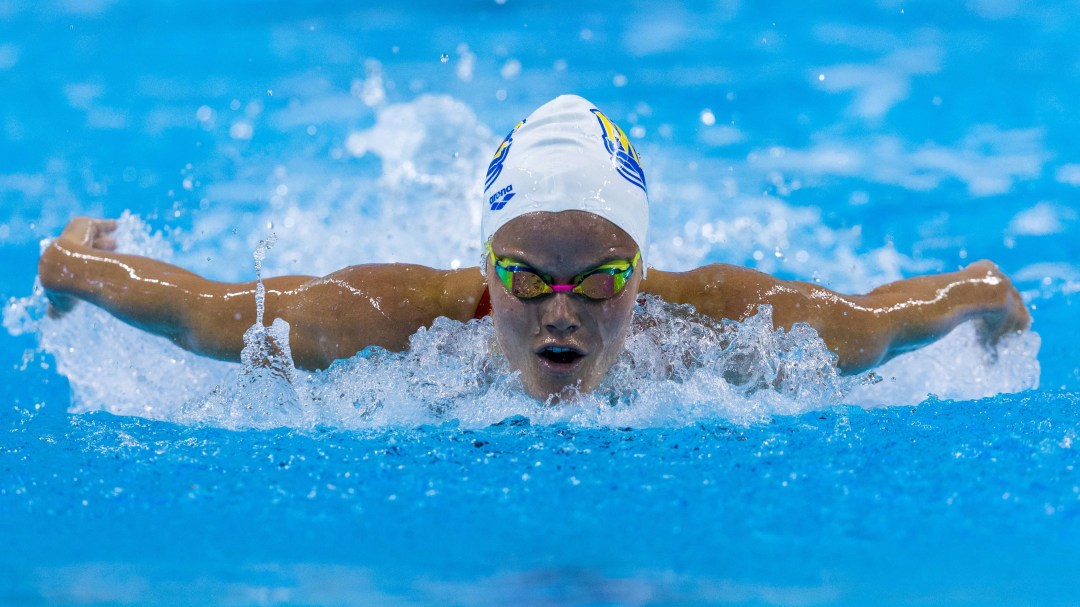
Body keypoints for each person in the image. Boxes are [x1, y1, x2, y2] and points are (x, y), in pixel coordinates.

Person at [37, 95, 1031, 400]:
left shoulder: (735, 326)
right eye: (525, 277)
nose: (560, 309)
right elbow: (209, 310)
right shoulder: (387, 317)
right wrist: (79, 264)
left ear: (640, 273)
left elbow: (881, 317)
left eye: (598, 278)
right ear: (484, 273)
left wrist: (984, 292)